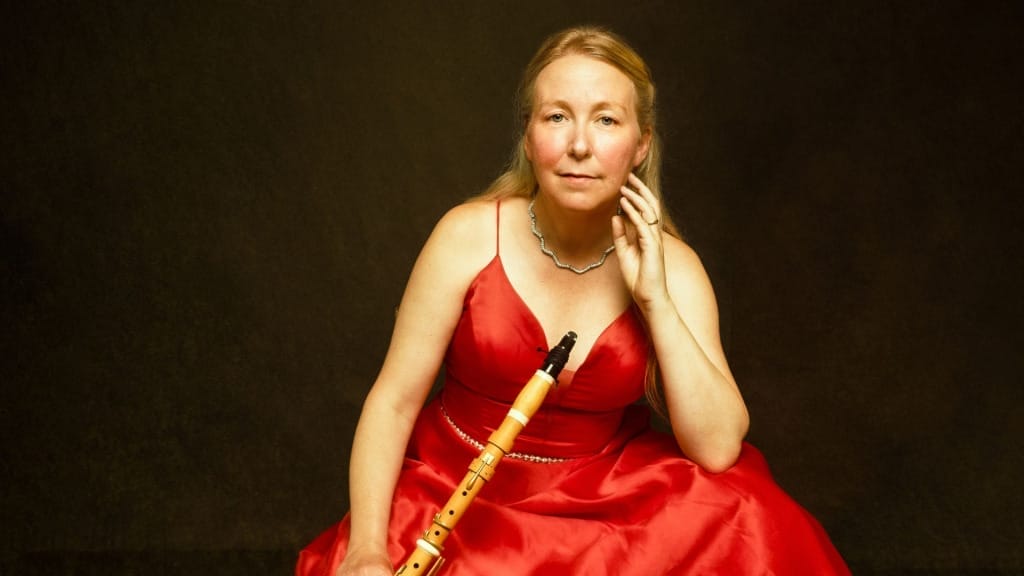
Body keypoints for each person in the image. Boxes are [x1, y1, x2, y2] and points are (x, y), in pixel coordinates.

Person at [297, 26, 850, 575]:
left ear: (641, 145)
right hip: (452, 486)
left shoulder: (674, 267)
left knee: (751, 517)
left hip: (602, 507)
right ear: (529, 136)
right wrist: (366, 550)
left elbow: (718, 447)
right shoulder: (466, 236)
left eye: (606, 120)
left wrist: (655, 299)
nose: (579, 145)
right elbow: (393, 402)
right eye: (557, 117)